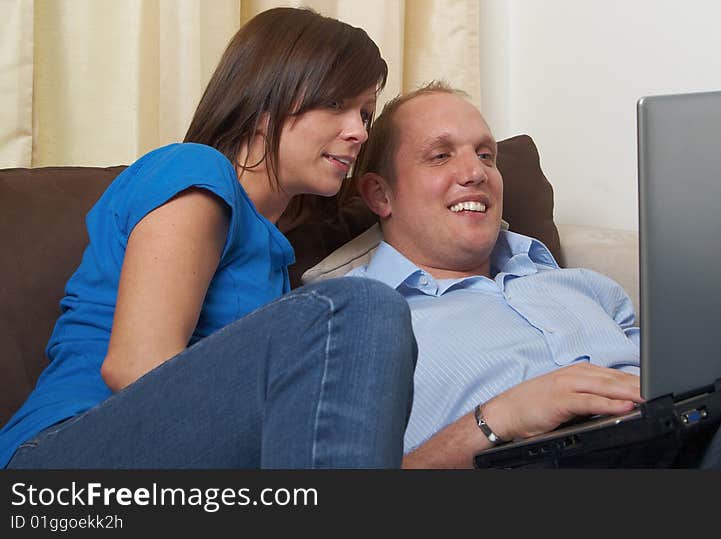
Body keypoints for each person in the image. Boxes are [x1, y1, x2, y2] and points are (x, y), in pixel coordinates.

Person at [346, 81, 721, 468]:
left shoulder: (580, 284)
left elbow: (680, 374)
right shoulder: (356, 322)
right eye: (440, 156)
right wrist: (497, 420)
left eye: (486, 154)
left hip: (688, 437)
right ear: (380, 193)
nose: (475, 173)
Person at [0, 7, 417, 469]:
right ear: (266, 101)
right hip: (59, 455)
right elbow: (135, 367)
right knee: (362, 306)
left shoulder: (275, 258)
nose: (358, 132)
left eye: (365, 113)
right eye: (337, 105)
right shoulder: (196, 171)